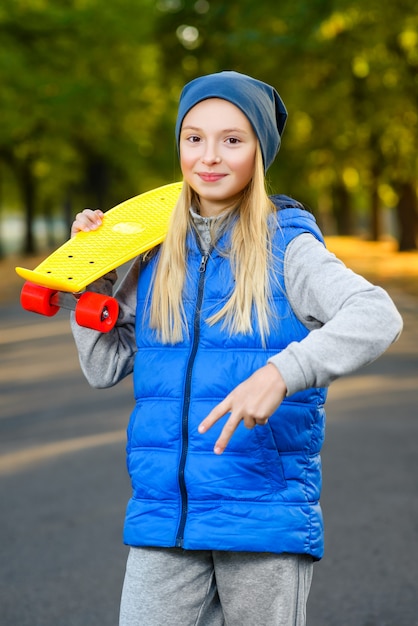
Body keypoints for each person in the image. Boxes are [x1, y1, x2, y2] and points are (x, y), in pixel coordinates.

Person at [70, 71, 403, 626]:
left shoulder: (288, 247)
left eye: (232, 139)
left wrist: (282, 372)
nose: (209, 157)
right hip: (164, 519)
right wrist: (93, 273)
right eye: (194, 137)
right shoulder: (153, 254)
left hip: (262, 518)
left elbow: (376, 315)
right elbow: (104, 366)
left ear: (259, 153)